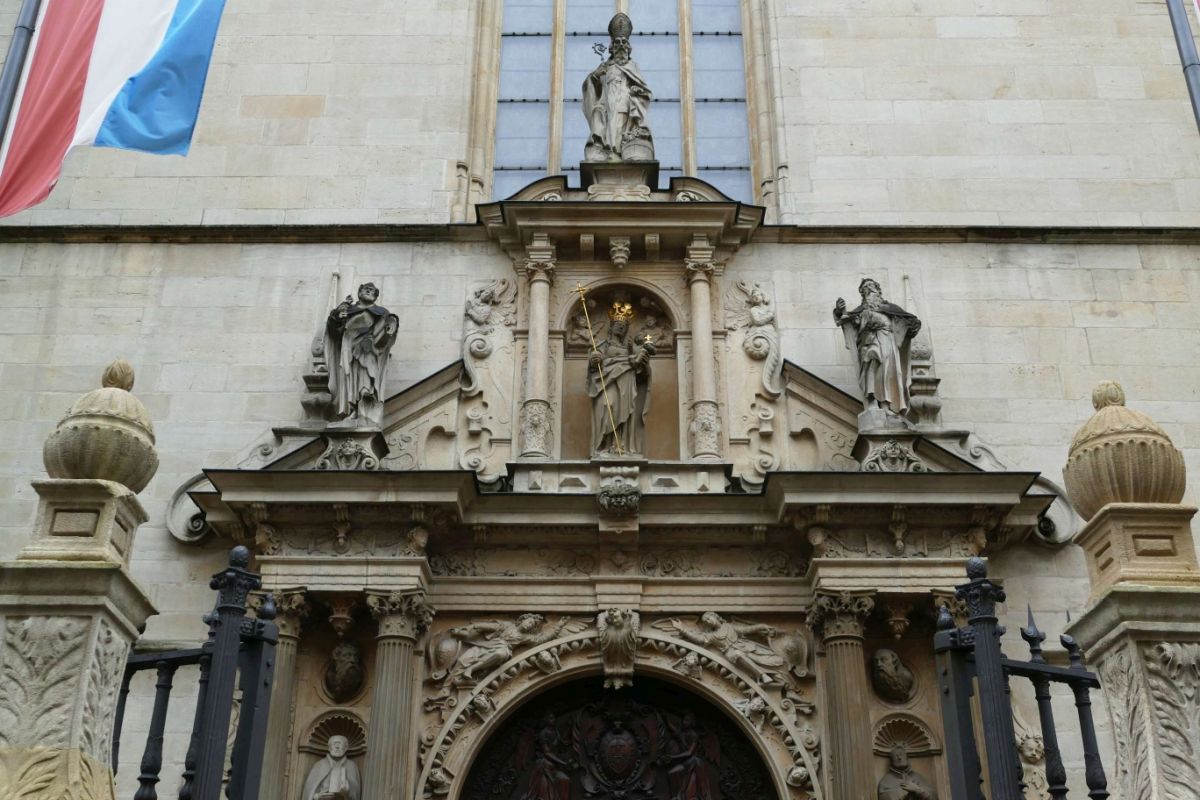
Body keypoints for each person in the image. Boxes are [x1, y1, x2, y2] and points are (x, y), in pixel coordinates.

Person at [833, 278, 921, 420]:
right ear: (863, 294)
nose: (868, 289)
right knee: (872, 366)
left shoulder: (889, 308)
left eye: (870, 286)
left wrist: (908, 326)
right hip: (869, 342)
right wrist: (840, 311)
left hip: (888, 342)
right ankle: (872, 402)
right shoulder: (861, 311)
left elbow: (910, 322)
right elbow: (847, 319)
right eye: (865, 288)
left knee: (887, 373)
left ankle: (886, 406)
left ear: (878, 290)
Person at [324, 283, 399, 428]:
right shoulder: (348, 309)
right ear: (359, 292)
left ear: (376, 295)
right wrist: (337, 317)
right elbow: (334, 332)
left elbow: (385, 335)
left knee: (366, 374)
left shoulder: (382, 312)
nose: (368, 291)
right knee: (349, 379)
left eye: (372, 290)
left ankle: (365, 406)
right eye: (366, 289)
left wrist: (390, 327)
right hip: (348, 348)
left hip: (367, 348)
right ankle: (353, 410)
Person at [583, 14, 654, 161]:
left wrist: (637, 92)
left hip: (624, 102)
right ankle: (606, 149)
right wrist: (595, 76)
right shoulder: (605, 67)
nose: (621, 46)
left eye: (624, 43)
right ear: (612, 48)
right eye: (617, 43)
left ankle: (618, 151)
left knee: (620, 125)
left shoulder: (632, 66)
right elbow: (591, 87)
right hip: (607, 102)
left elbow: (644, 90)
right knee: (604, 121)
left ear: (628, 49)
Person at [587, 316, 654, 456]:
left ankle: (621, 446)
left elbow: (642, 371)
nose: (621, 326)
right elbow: (595, 361)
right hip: (607, 381)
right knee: (608, 405)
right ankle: (605, 446)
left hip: (627, 382)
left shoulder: (631, 348)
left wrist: (640, 362)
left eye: (624, 325)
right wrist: (595, 359)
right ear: (611, 327)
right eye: (618, 324)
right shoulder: (603, 345)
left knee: (626, 412)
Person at [302, 735, 361, 800]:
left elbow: (356, 794)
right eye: (334, 744)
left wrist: (347, 791)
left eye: (340, 744)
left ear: (346, 747)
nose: (337, 747)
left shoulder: (351, 766)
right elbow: (309, 792)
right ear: (329, 748)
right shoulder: (319, 765)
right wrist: (317, 796)